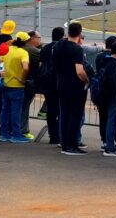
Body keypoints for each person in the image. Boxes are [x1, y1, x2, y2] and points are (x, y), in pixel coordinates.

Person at [55, 23, 91, 155]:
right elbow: (80, 71)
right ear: (79, 33)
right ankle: (72, 145)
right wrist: (87, 81)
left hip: (61, 82)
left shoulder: (59, 46)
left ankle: (65, 144)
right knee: (75, 116)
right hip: (75, 86)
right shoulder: (77, 49)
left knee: (64, 114)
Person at [0, 32, 31, 143]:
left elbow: (0, 64)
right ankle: (16, 134)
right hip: (17, 85)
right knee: (16, 111)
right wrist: (22, 78)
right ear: (25, 42)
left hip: (5, 83)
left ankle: (4, 134)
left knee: (4, 110)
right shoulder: (23, 53)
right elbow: (26, 68)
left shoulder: (7, 49)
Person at [37, 27, 64, 144]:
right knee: (60, 109)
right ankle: (59, 134)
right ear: (62, 36)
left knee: (51, 109)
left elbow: (41, 63)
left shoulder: (45, 48)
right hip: (58, 81)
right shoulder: (62, 47)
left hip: (47, 81)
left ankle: (53, 135)